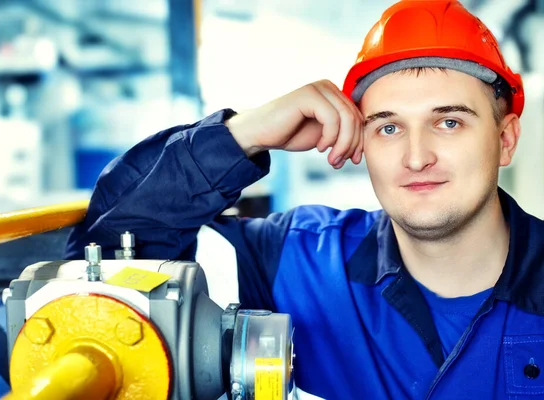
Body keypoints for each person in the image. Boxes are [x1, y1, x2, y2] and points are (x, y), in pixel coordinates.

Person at [65, 1, 544, 398]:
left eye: (449, 122)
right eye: (389, 127)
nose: (416, 157)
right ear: (362, 141)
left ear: (506, 139)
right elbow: (112, 255)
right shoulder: (301, 259)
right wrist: (241, 134)